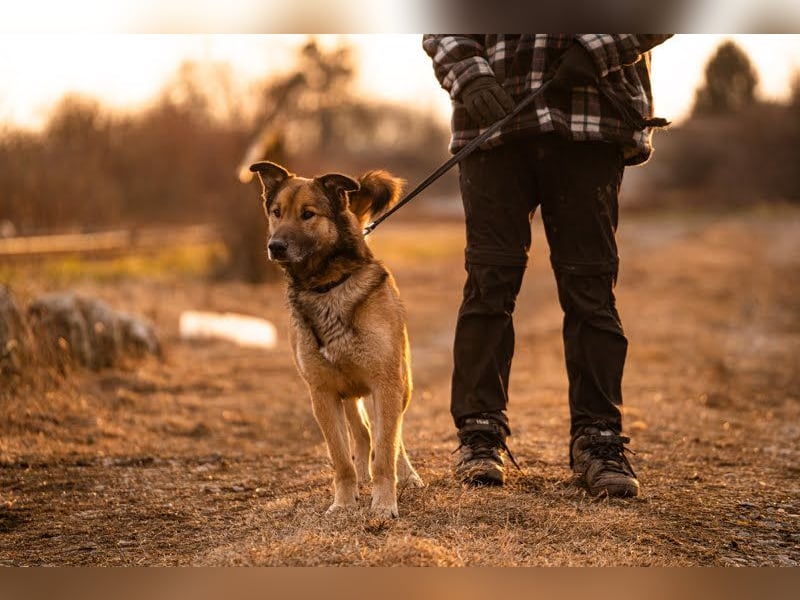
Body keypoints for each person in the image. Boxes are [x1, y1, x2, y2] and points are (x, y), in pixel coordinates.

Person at [422, 34, 671, 496]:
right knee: (488, 283)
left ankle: (598, 439)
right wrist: (470, 76)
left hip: (591, 117)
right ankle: (480, 435)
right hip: (490, 124)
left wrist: (599, 48)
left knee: (590, 290)